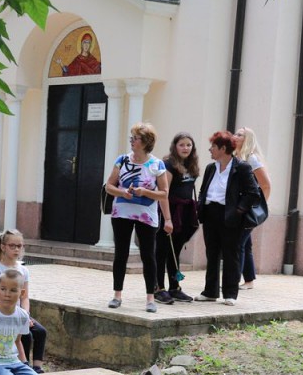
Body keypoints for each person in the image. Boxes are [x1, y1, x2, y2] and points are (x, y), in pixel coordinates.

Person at [104, 122, 170, 313]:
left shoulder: (157, 164)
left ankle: (150, 298)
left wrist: (145, 192)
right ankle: (117, 295)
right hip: (121, 213)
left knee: (148, 255)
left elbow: (164, 193)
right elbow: (109, 186)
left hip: (146, 215)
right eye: (131, 138)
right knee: (121, 253)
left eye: (136, 138)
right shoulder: (122, 160)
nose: (132, 141)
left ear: (146, 141)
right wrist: (123, 192)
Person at [195, 131, 263, 307]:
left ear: (223, 148)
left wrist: (238, 211)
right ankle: (210, 292)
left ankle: (230, 294)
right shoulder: (211, 168)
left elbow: (253, 193)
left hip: (230, 215)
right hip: (210, 213)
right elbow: (203, 190)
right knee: (212, 253)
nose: (210, 150)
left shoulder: (242, 167)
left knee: (231, 254)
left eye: (213, 147)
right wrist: (201, 206)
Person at [155, 133, 200, 304]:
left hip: (185, 212)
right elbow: (163, 194)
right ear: (175, 146)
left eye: (189, 145)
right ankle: (158, 288)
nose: (185, 148)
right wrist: (167, 219)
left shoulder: (191, 165)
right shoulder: (168, 164)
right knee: (162, 250)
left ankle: (174, 287)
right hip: (169, 211)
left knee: (175, 251)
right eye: (182, 145)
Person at [0, 230, 46, 372]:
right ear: (3, 247)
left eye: (19, 246)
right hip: (6, 313)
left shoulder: (23, 270)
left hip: (20, 312)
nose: (16, 249)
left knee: (41, 332)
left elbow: (24, 296)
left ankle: (37, 367)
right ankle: (24, 366)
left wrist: (25, 315)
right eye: (12, 246)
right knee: (26, 335)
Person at [233, 127, 272, 291]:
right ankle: (249, 280)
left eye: (240, 135)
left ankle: (233, 281)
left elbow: (266, 185)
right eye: (235, 133)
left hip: (248, 209)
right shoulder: (236, 157)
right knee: (245, 243)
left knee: (238, 243)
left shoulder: (251, 158)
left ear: (247, 139)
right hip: (239, 207)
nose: (235, 136)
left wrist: (259, 207)